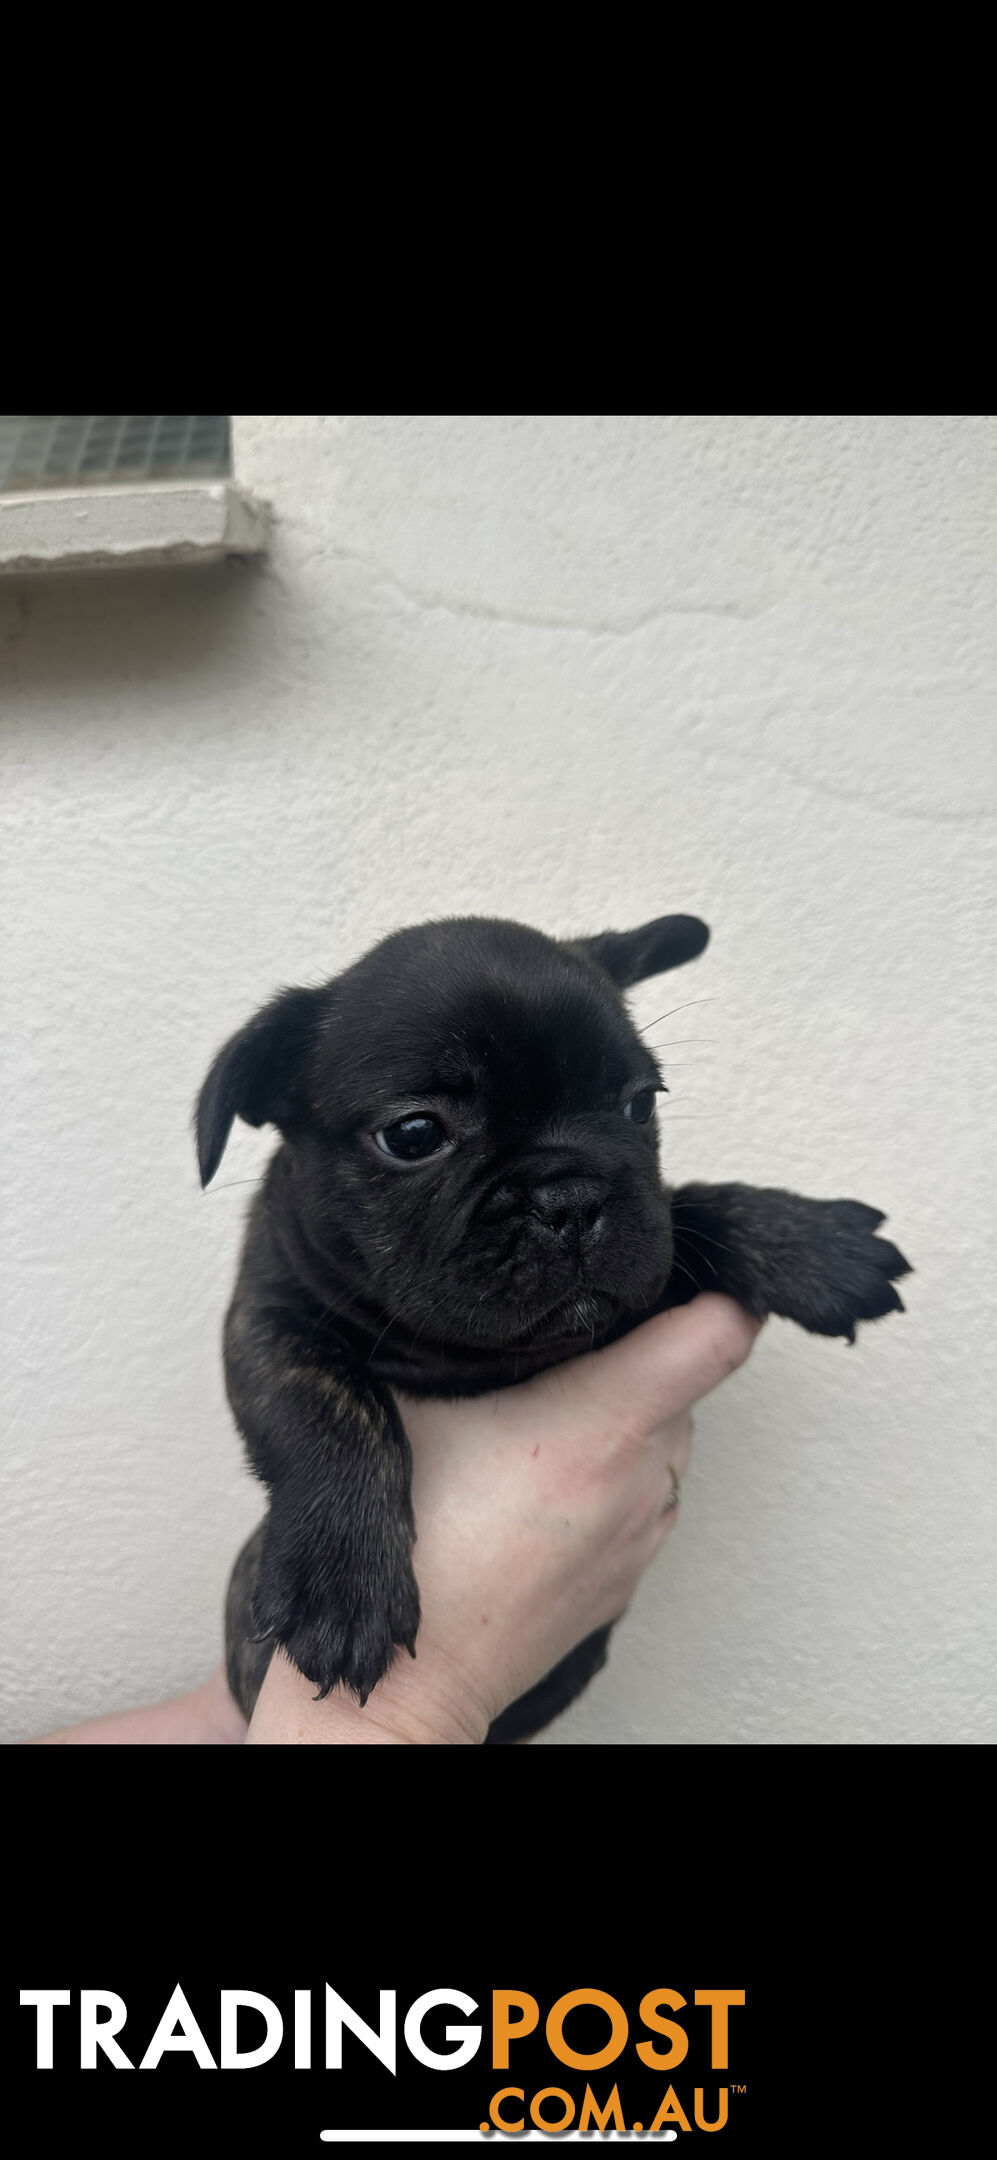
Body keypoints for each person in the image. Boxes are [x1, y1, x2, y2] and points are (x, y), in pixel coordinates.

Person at [29, 1295, 761, 1745]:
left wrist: (731, 1232)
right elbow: (270, 1333)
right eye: (417, 1134)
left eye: (632, 1102)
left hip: (254, 1699)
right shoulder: (295, 1275)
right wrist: (399, 1720)